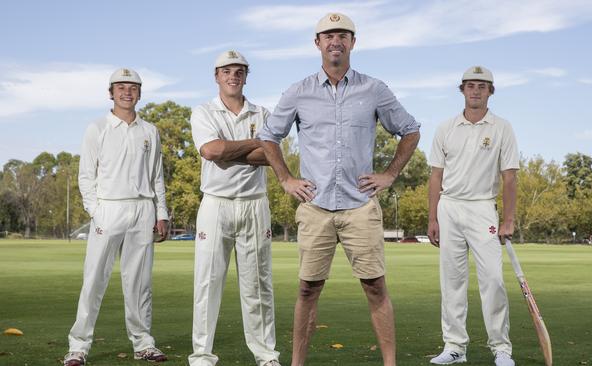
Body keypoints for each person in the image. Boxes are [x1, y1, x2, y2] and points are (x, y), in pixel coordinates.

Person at [259, 13, 420, 366]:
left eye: (343, 35)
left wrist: (390, 174)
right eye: (329, 35)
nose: (336, 41)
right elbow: (269, 135)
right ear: (317, 43)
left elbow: (410, 130)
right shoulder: (298, 91)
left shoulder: (374, 89)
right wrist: (286, 178)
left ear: (352, 42)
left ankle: (390, 363)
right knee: (307, 289)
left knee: (375, 287)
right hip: (315, 206)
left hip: (360, 206)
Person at [64, 68, 170, 366]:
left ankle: (143, 343)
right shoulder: (97, 128)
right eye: (121, 87)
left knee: (139, 282)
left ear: (139, 92)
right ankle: (78, 346)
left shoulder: (150, 131)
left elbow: (157, 177)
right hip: (108, 209)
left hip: (142, 209)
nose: (127, 92)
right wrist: (96, 212)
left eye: (133, 87)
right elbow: (86, 176)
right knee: (94, 279)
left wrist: (160, 213)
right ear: (111, 92)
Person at [187, 50, 280, 366]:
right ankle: (201, 355)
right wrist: (252, 145)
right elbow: (211, 150)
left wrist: (229, 151)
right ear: (216, 76)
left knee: (258, 284)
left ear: (245, 75)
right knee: (207, 282)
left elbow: (270, 156)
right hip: (216, 203)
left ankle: (265, 354)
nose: (232, 76)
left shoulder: (262, 113)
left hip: (254, 204)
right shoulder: (203, 112)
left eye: (239, 71)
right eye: (226, 71)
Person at [427, 66, 518, 366]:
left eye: (482, 86)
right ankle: (455, 347)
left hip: (482, 207)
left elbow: (509, 177)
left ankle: (501, 348)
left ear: (491, 91)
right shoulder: (445, 128)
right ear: (462, 90)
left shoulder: (502, 127)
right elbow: (435, 177)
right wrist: (432, 218)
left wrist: (508, 219)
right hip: (449, 206)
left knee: (493, 279)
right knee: (452, 281)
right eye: (470, 86)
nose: (475, 91)